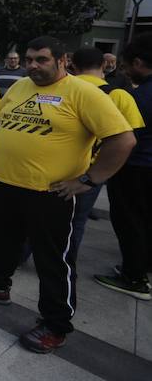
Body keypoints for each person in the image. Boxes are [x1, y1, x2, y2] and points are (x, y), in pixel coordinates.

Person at [0, 36, 135, 354]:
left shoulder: (83, 93)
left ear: (61, 60)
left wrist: (90, 180)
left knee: (52, 260)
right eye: (29, 60)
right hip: (6, 185)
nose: (33, 66)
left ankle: (55, 324)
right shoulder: (22, 87)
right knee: (5, 242)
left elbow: (123, 140)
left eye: (41, 60)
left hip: (49, 194)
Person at [59, 48, 143, 264]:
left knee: (44, 216)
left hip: (60, 164)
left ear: (72, 66)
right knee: (76, 222)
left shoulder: (63, 89)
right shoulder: (119, 95)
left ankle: (22, 256)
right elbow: (131, 140)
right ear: (104, 66)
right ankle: (66, 262)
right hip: (92, 172)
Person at [95, 34, 152, 300]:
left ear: (139, 62)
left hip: (136, 167)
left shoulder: (138, 96)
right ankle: (142, 265)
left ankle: (134, 277)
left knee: (129, 220)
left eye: (127, 66)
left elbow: (125, 137)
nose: (126, 72)